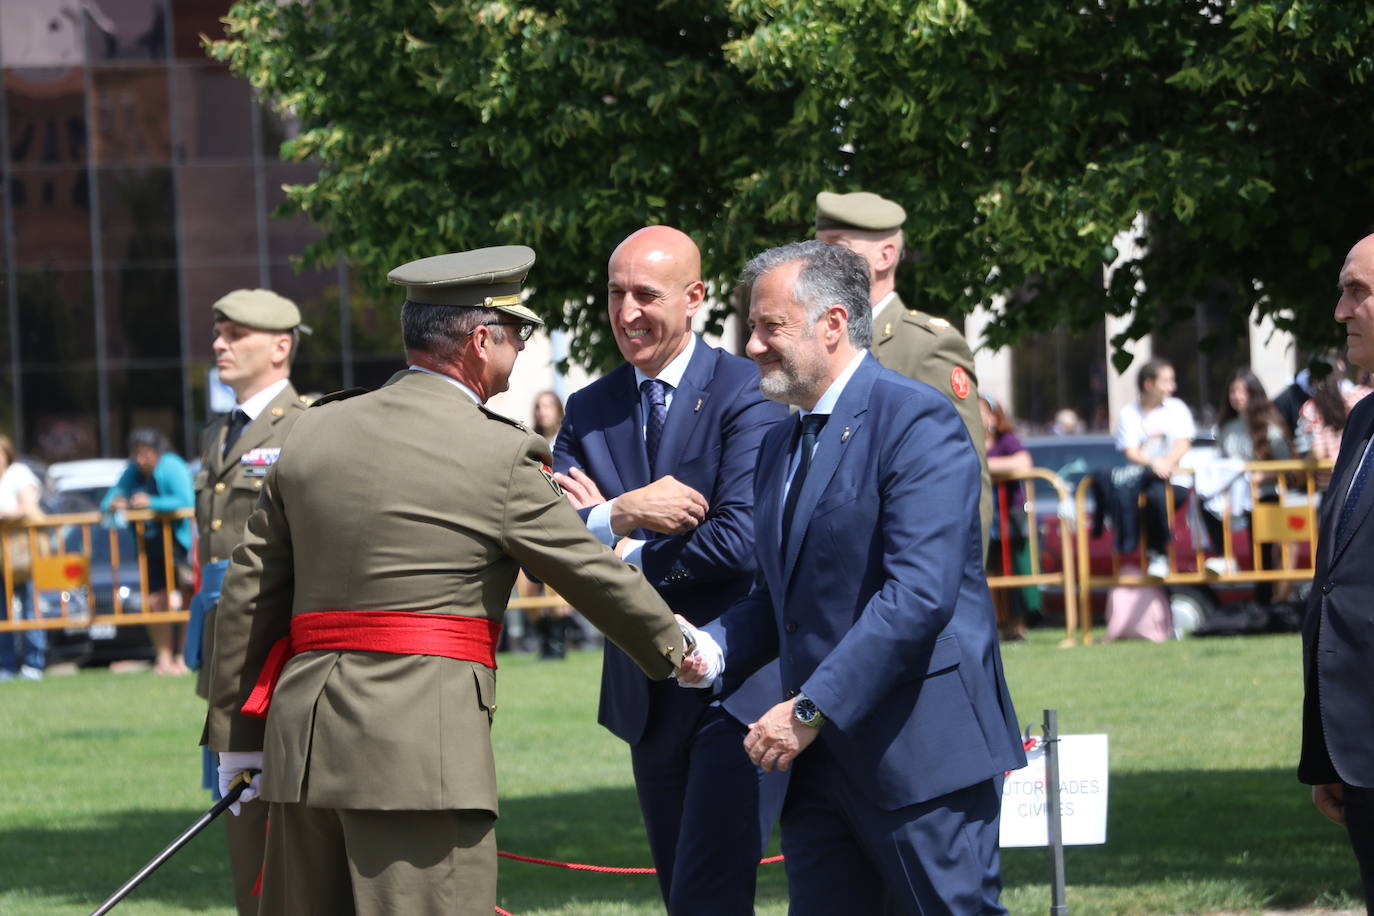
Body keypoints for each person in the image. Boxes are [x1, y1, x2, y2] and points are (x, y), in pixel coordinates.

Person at [207, 246, 695, 916]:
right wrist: (679, 648)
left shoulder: (313, 433)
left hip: (304, 750)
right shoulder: (497, 450)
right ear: (478, 340)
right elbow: (585, 571)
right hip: (420, 755)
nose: (520, 351)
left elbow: (250, 594)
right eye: (516, 334)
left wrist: (237, 746)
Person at [677, 240, 1024, 913]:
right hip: (816, 770)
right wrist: (711, 647)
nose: (750, 345)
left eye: (768, 326)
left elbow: (917, 597)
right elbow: (783, 599)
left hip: (920, 759)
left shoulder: (916, 420)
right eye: (752, 326)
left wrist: (811, 710)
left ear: (832, 324)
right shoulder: (781, 440)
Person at [551, 225, 789, 914]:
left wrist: (618, 554)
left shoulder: (750, 391)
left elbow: (739, 541)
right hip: (645, 695)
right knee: (684, 895)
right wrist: (620, 512)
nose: (627, 314)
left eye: (646, 295)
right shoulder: (590, 408)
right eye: (615, 294)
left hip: (739, 688)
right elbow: (544, 538)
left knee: (707, 896)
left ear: (695, 298)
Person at [193, 287, 312, 915]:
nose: (219, 344)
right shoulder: (219, 430)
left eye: (235, 333)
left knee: (279, 824)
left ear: (280, 346)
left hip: (277, 653)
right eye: (219, 331)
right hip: (226, 648)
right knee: (238, 817)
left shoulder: (306, 422)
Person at [813, 190, 991, 551]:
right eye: (817, 247)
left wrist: (952, 593)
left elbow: (964, 480)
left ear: (885, 256)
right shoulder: (815, 342)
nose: (819, 261)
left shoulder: (926, 346)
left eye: (836, 246)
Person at [1301, 233, 1374, 908]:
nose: (1341, 311)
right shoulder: (1361, 422)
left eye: (1359, 292)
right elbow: (1339, 585)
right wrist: (1329, 753)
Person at [101, 428, 194, 675]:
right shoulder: (132, 471)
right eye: (137, 454)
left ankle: (183, 658)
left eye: (146, 454)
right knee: (155, 601)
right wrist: (115, 503)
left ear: (158, 452)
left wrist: (151, 503)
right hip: (149, 547)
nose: (141, 460)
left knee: (186, 600)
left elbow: (186, 501)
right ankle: (163, 659)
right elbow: (109, 499)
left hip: (178, 545)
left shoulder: (173, 466)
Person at [1204, 369, 1292, 600]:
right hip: (1233, 499)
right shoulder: (1226, 427)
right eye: (1232, 391)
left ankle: (1267, 600)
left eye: (1242, 391)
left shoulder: (1269, 426)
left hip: (1265, 497)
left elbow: (1287, 464)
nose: (1236, 396)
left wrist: (1263, 476)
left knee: (1265, 552)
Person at [1113, 358, 1196, 578]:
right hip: (1144, 479)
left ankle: (1158, 553)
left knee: (1157, 493)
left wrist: (1166, 463)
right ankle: (1159, 553)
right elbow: (1131, 451)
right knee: (1153, 492)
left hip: (1175, 479)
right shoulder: (1129, 413)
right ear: (1149, 384)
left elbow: (1184, 442)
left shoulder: (1176, 408)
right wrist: (1153, 464)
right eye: (1166, 381)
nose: (1172, 387)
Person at [519, 390, 576, 659]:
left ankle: (557, 642)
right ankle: (542, 638)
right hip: (534, 519)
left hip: (561, 517)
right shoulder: (530, 441)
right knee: (529, 586)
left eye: (548, 406)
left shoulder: (567, 441)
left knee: (559, 585)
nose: (543, 412)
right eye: (539, 406)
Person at [981, 395, 1038, 641]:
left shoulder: (1007, 440)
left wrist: (982, 464)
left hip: (1008, 516)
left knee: (1011, 567)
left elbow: (1024, 463)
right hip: (980, 516)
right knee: (985, 569)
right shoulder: (965, 440)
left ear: (994, 416)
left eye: (981, 409)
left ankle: (1016, 623)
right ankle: (991, 622)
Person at [0, 434, 43, 682]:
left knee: (30, 607)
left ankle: (33, 664)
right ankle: (5, 665)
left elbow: (28, 507)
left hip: (22, 553)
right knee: (1, 612)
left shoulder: (19, 473)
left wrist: (6, 516)